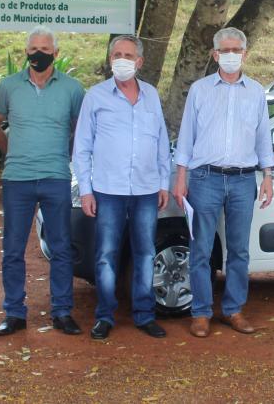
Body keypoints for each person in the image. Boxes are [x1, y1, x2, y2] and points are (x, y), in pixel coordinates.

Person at [172, 27, 274, 338]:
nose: (231, 55)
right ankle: (201, 313)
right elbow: (186, 135)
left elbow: (263, 137)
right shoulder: (200, 90)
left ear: (245, 53)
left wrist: (268, 176)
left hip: (243, 180)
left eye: (236, 50)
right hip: (205, 178)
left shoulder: (256, 91)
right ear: (216, 54)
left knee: (239, 250)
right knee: (201, 248)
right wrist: (181, 177)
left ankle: (234, 310)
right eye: (225, 50)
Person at [73, 35, 171, 339]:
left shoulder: (152, 95)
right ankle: (105, 316)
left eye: (128, 55)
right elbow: (82, 146)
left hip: (145, 190)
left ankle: (144, 315)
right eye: (117, 54)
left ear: (139, 62)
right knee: (106, 254)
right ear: (110, 60)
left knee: (145, 253)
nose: (122, 60)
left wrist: (163, 183)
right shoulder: (96, 96)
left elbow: (161, 143)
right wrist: (86, 189)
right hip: (108, 190)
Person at [0, 26, 85, 337]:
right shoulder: (9, 86)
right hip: (17, 178)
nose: (38, 54)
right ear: (26, 52)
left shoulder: (72, 89)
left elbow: (79, 130)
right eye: (33, 49)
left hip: (56, 176)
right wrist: (10, 150)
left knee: (60, 248)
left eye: (45, 49)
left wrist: (65, 156)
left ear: (56, 54)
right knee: (13, 249)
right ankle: (15, 313)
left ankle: (61, 312)